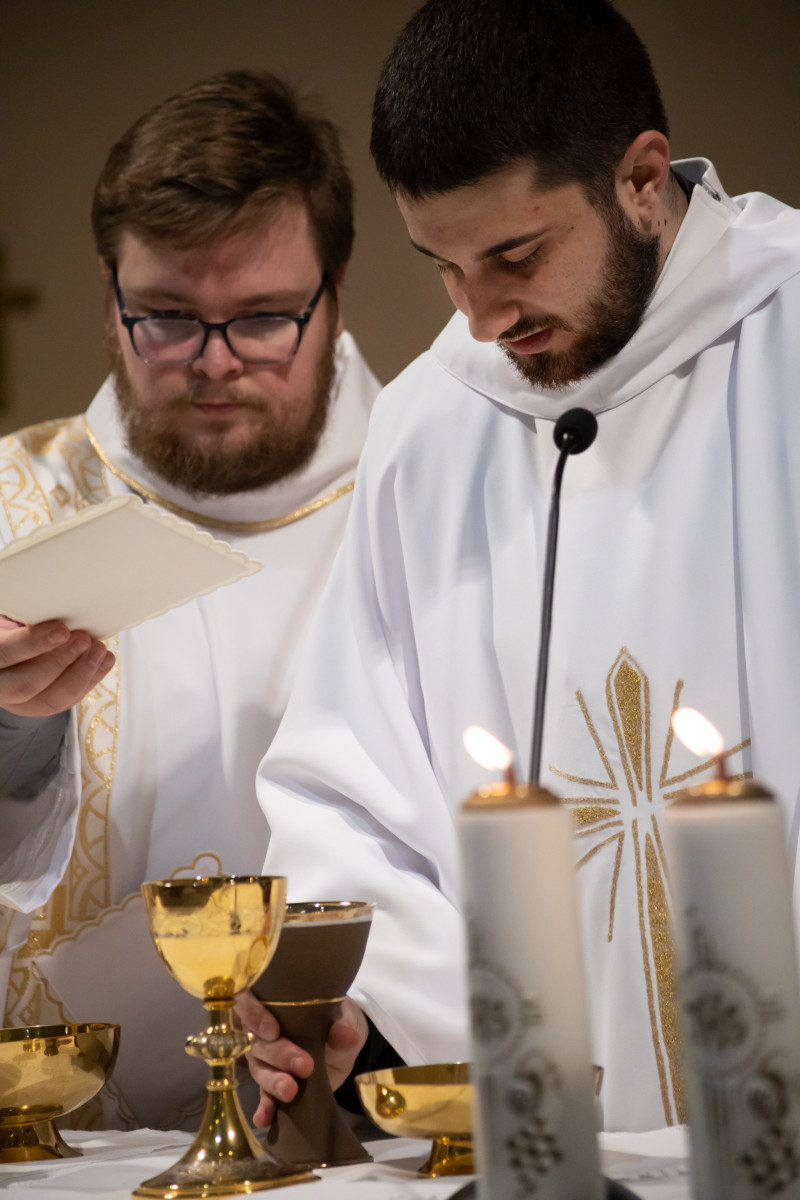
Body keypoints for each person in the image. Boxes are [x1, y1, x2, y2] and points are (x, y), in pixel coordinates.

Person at [246, 0, 800, 1134]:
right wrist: (365, 1003)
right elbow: (350, 791)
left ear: (640, 179)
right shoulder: (429, 424)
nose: (481, 317)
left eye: (516, 255)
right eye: (444, 266)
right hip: (536, 1147)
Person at [0, 69, 380, 1131]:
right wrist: (11, 727)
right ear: (109, 291)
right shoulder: (15, 508)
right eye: (166, 318)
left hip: (362, 1125)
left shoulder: (437, 508)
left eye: (261, 318)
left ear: (335, 291)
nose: (214, 365)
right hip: (69, 1146)